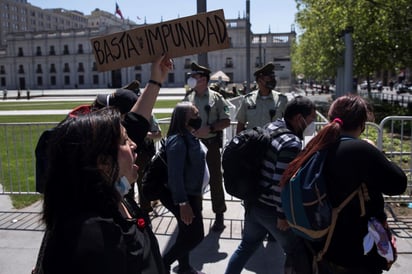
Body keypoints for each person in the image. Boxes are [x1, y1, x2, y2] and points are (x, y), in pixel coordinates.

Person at [34, 55, 173, 274]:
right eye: (125, 141)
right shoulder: (91, 237)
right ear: (102, 163)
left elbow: (136, 122)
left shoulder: (111, 194)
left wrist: (156, 79)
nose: (135, 145)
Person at [281, 94, 407, 274]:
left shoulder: (316, 146)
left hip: (319, 249)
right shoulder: (361, 150)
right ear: (362, 124)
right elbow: (398, 183)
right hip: (354, 255)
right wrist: (374, 151)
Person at [225, 96, 316, 274]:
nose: (313, 123)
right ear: (299, 118)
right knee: (297, 250)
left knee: (246, 246)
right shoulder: (291, 144)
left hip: (254, 202)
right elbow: (280, 183)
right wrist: (282, 215)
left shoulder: (272, 126)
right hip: (272, 210)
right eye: (312, 118)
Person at [94, 86, 162, 215]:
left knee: (139, 182)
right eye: (125, 140)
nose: (132, 144)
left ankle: (144, 209)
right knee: (128, 186)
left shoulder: (147, 115)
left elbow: (158, 133)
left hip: (143, 155)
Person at [160, 101, 208, 274]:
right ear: (184, 120)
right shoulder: (178, 141)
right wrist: (182, 203)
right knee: (195, 235)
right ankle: (163, 264)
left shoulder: (188, 136)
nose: (198, 117)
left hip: (192, 193)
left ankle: (185, 267)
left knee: (185, 232)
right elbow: (175, 175)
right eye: (194, 114)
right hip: (185, 196)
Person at [183, 62, 231, 232]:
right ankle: (197, 214)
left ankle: (219, 216)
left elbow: (226, 121)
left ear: (203, 79)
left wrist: (209, 128)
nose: (192, 79)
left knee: (215, 180)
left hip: (210, 145)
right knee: (194, 180)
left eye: (195, 76)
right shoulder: (188, 98)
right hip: (193, 146)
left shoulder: (216, 98)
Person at [235, 62, 288, 134]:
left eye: (273, 77)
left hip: (273, 143)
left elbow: (289, 123)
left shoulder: (282, 100)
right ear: (260, 80)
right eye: (269, 78)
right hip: (253, 142)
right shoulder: (248, 100)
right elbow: (241, 124)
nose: (273, 81)